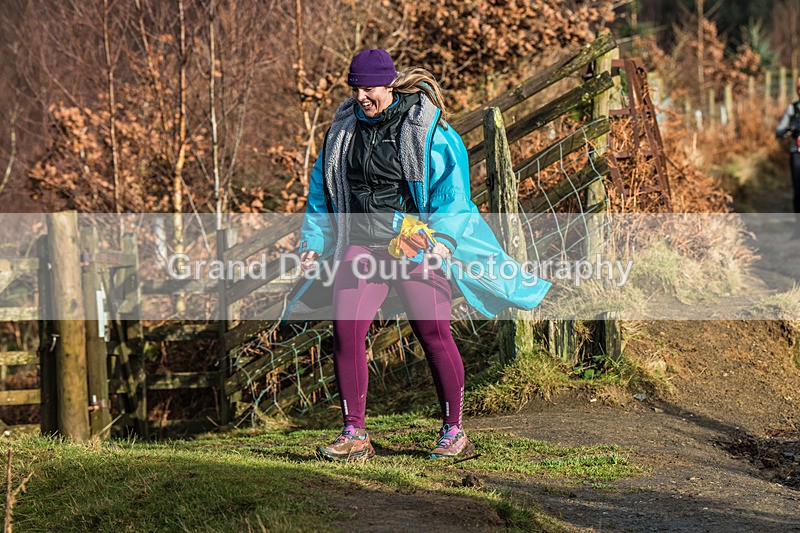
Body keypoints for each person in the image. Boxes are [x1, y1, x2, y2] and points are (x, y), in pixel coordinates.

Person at [294, 49, 551, 462]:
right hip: (363, 246)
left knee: (432, 333)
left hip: (415, 243)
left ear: (389, 85)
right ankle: (354, 434)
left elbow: (452, 193)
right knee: (345, 331)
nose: (362, 98)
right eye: (356, 89)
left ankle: (454, 432)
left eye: (370, 89)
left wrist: (443, 241)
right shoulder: (341, 131)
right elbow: (322, 194)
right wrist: (314, 243)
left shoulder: (426, 128)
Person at [775, 76, 800, 238]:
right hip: (797, 153)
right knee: (799, 192)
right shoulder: (793, 109)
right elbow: (779, 131)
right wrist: (790, 128)